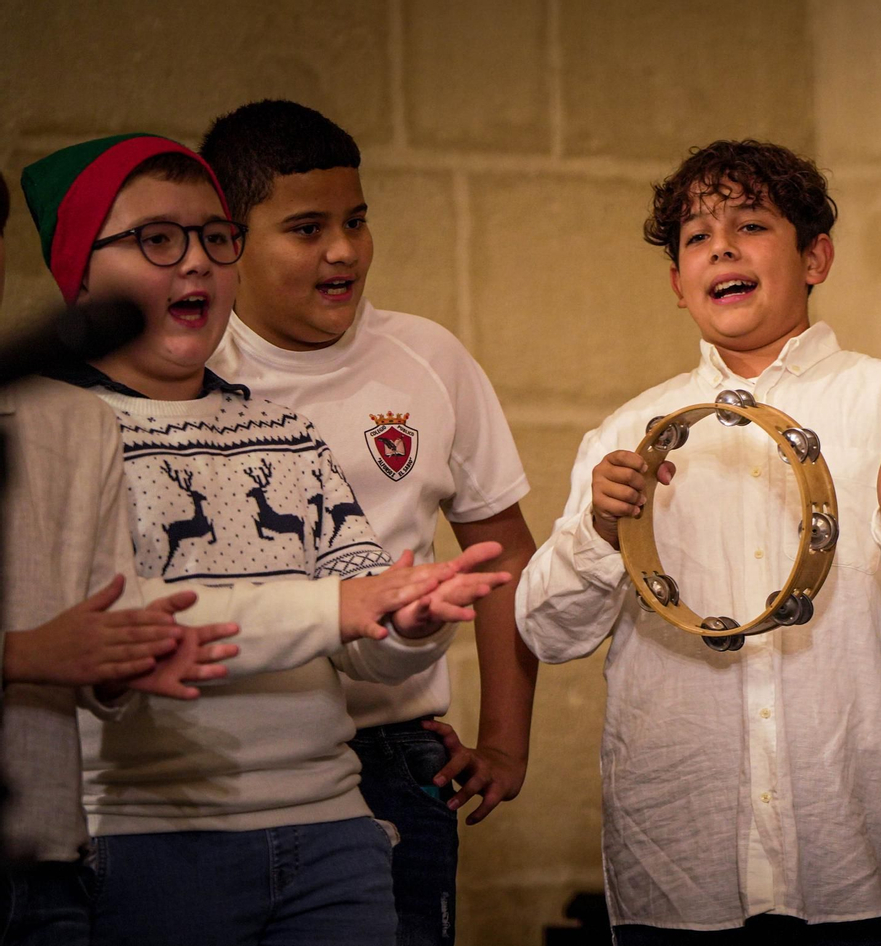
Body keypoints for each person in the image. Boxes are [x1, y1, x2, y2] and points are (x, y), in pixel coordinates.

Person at [20, 133, 509, 946]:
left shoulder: (281, 430)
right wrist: (343, 606)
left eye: (216, 238)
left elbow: (365, 637)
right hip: (148, 839)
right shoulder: (58, 431)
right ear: (80, 275)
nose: (197, 264)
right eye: (157, 239)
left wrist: (411, 626)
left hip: (334, 831)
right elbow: (125, 628)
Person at [517, 139, 881, 944]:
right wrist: (601, 530)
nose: (723, 249)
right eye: (698, 238)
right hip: (679, 868)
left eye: (750, 226)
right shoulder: (630, 432)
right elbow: (546, 630)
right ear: (678, 283)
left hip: (848, 863)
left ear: (816, 256)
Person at [201, 100, 538, 945]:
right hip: (234, 751)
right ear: (230, 239)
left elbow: (507, 559)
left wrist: (504, 743)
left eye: (356, 220)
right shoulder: (195, 371)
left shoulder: (428, 357)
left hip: (396, 750)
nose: (344, 250)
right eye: (307, 228)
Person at [0, 167, 238, 946]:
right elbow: (45, 647)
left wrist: (122, 661)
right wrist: (26, 653)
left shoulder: (67, 421)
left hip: (41, 859)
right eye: (158, 240)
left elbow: (99, 621)